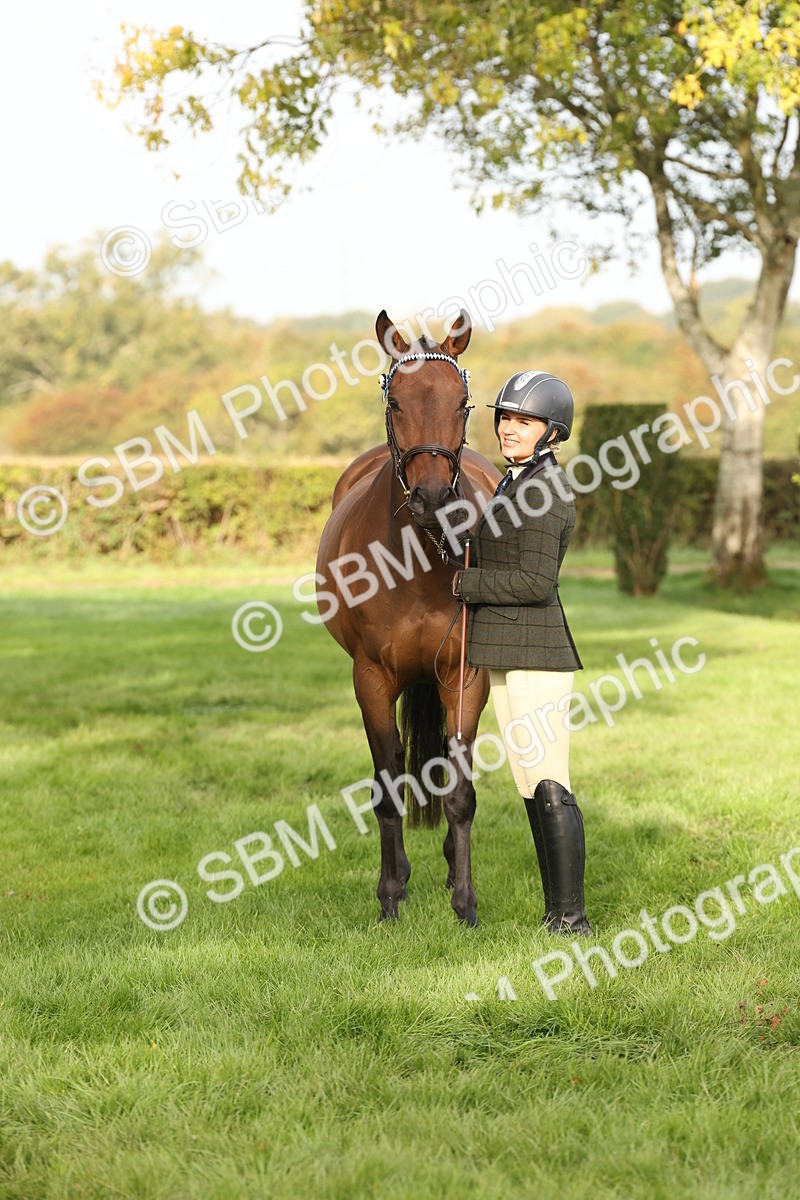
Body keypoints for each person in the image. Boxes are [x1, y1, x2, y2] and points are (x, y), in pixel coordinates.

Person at [451, 370, 591, 935]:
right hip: (508, 649)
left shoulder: (546, 490)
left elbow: (534, 581)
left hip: (538, 653)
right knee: (530, 785)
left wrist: (466, 585)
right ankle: (555, 913)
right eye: (505, 418)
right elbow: (500, 552)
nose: (509, 429)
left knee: (550, 781)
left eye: (524, 421)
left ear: (552, 431)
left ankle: (572, 920)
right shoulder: (516, 482)